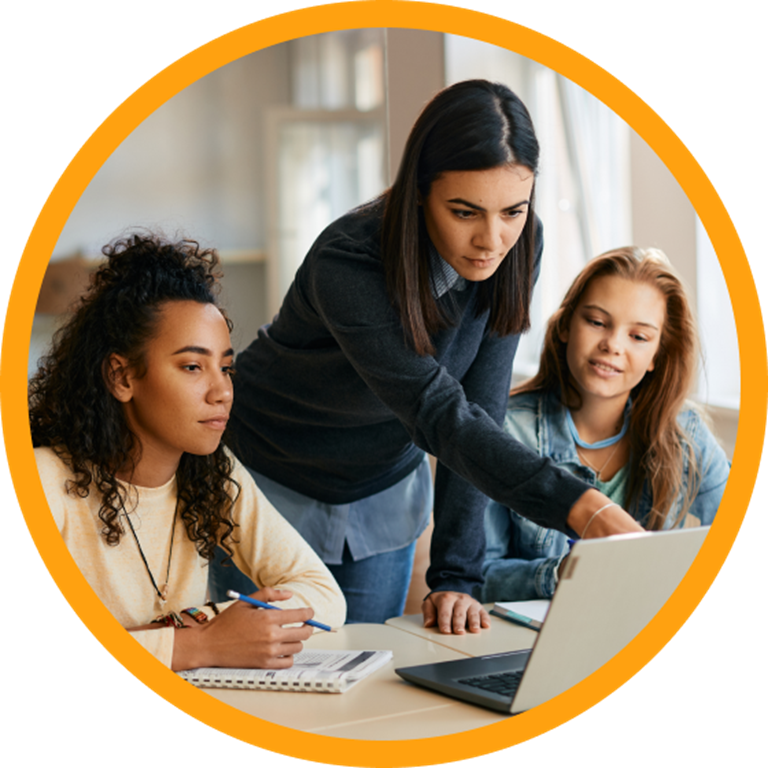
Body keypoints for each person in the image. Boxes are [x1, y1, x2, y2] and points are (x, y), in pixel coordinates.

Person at [212, 79, 644, 634]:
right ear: (419, 192)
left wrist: (456, 576)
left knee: (359, 688)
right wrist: (583, 506)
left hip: (382, 489)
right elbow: (437, 411)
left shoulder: (519, 244)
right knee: (262, 683)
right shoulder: (348, 261)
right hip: (268, 477)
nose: (492, 239)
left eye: (513, 210)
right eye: (465, 212)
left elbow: (478, 408)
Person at [29, 235, 346, 671]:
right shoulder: (42, 480)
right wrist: (200, 646)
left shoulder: (212, 471)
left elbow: (324, 595)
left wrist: (201, 623)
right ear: (121, 377)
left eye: (226, 367)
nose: (222, 392)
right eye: (193, 367)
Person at [479, 246, 731, 603]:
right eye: (597, 322)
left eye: (639, 337)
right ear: (566, 324)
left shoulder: (684, 433)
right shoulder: (504, 430)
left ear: (657, 355)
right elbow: (475, 577)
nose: (612, 344)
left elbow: (742, 539)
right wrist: (562, 573)